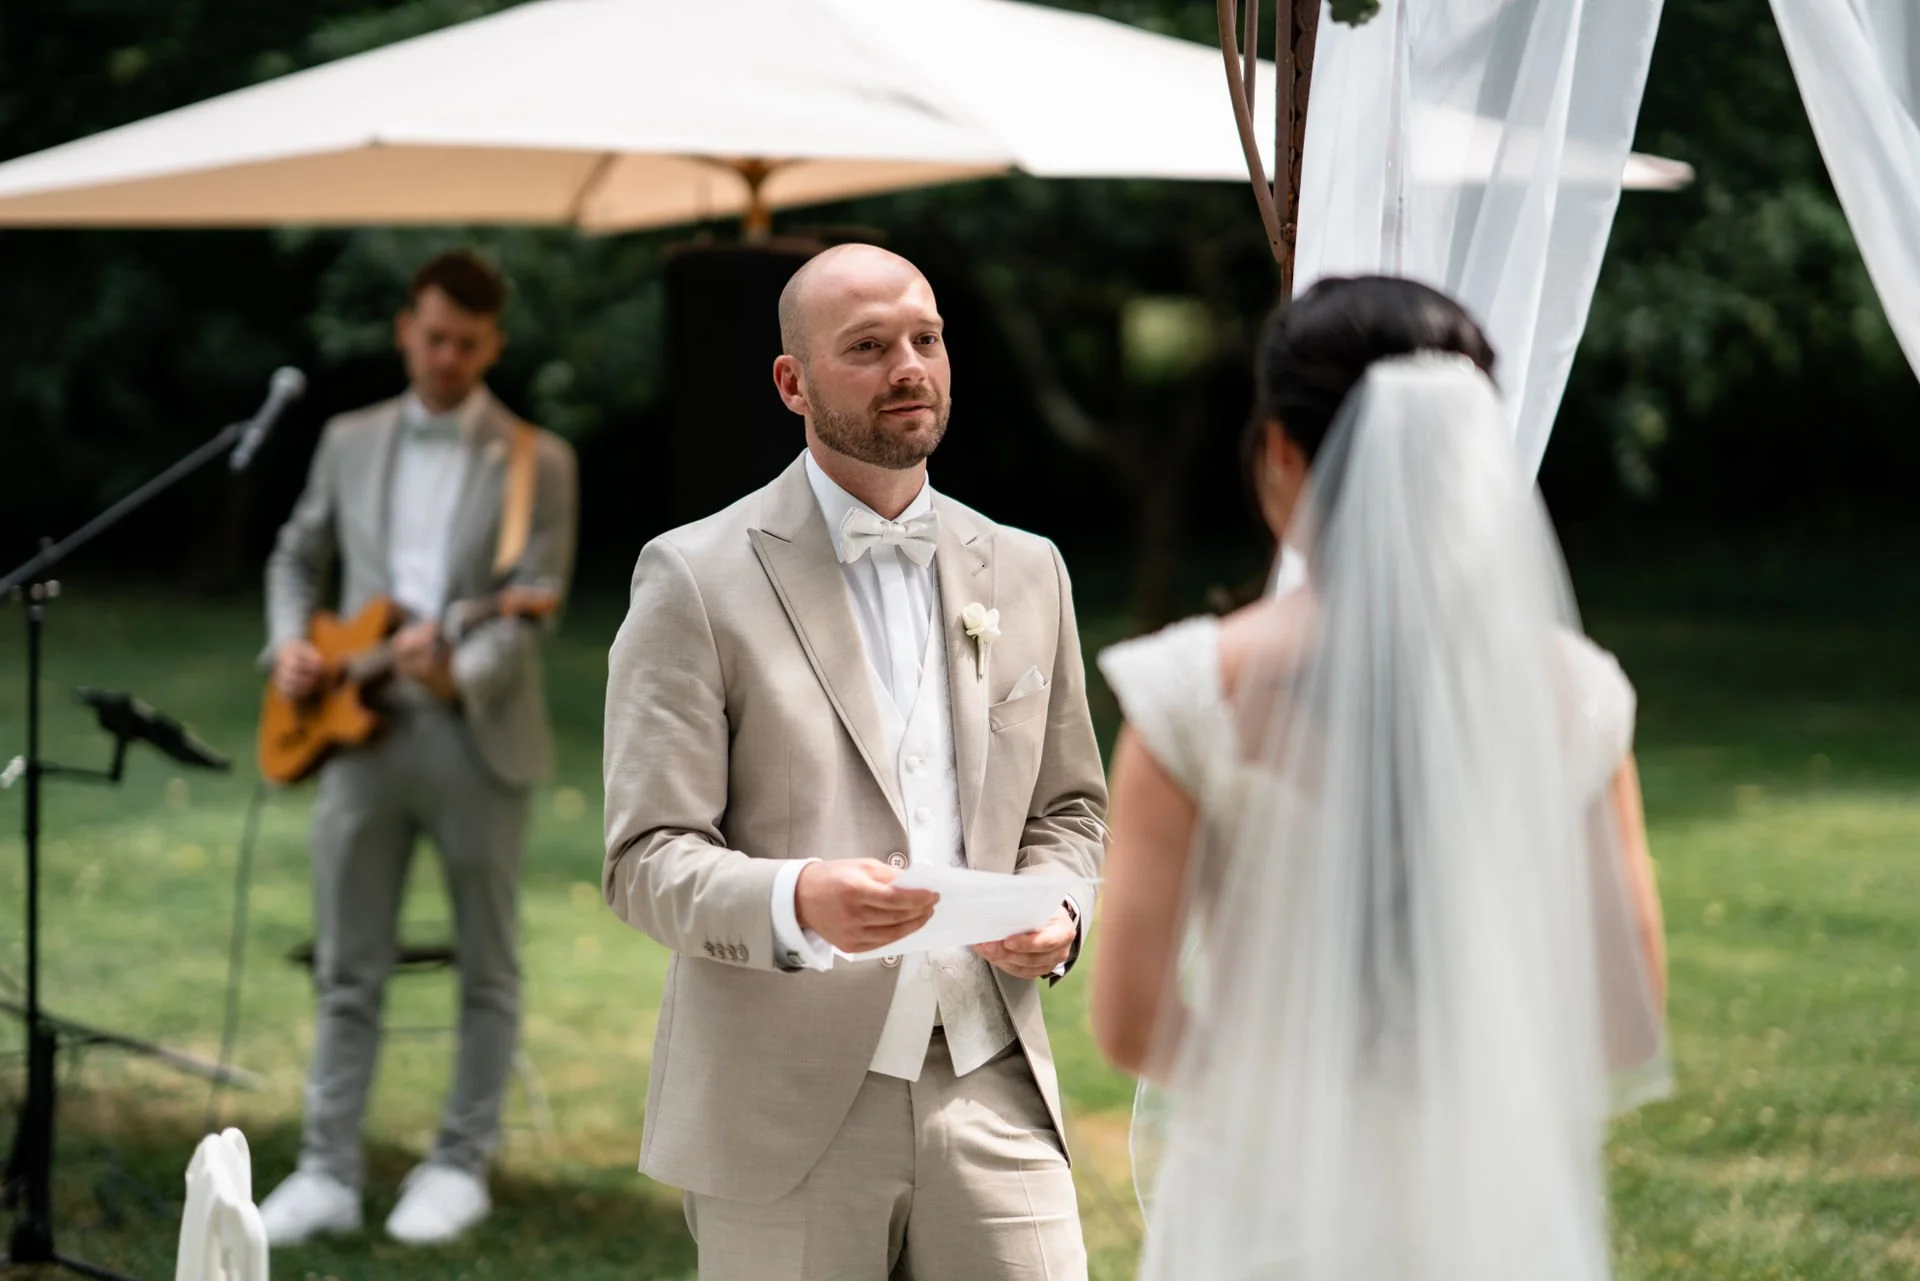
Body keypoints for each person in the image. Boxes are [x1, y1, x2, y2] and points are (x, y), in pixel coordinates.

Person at [1090, 277, 1670, 1279]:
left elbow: (1131, 1021)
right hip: (1486, 1209)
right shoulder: (1577, 695)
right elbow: (1625, 1019)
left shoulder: (1190, 691)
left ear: (1280, 450)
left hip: (1261, 1212)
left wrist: (1295, 1109)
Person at [602, 243, 1106, 1280]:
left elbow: (1070, 810)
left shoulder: (1030, 569)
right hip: (782, 1109)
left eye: (926, 339)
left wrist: (1061, 909)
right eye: (868, 347)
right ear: (793, 383)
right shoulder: (693, 576)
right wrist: (797, 899)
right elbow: (645, 857)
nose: (909, 367)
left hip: (995, 1082)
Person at [256, 249, 579, 1247]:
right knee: (346, 964)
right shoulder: (347, 438)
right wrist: (291, 645)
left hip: (476, 738)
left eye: (468, 344)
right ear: (406, 330)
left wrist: (455, 672)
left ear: (494, 346)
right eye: (435, 337)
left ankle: (459, 1163)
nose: (448, 357)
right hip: (355, 733)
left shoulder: (538, 461)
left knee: (488, 964)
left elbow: (530, 609)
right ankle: (325, 1170)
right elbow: (297, 553)